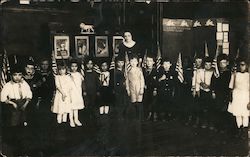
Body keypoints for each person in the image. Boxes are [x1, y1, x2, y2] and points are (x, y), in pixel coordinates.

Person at [1, 65, 32, 155]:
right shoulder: (8, 85)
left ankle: (23, 148)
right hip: (14, 105)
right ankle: (14, 148)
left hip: (24, 104)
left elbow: (29, 94)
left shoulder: (24, 83)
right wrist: (12, 103)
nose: (17, 77)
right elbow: (2, 97)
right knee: (14, 125)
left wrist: (26, 104)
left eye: (19, 75)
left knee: (24, 124)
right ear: (11, 76)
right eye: (15, 75)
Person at [228, 58, 249, 139]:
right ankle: (240, 129)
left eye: (243, 65)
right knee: (238, 114)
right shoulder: (235, 74)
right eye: (240, 65)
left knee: (245, 114)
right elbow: (231, 86)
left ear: (246, 66)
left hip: (245, 97)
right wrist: (231, 98)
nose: (241, 67)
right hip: (237, 96)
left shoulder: (248, 76)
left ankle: (245, 131)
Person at [211, 54, 232, 133]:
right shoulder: (217, 73)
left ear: (227, 63)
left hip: (226, 94)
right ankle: (219, 126)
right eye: (220, 63)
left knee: (225, 110)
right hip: (218, 93)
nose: (222, 64)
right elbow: (213, 83)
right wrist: (213, 91)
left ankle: (225, 127)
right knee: (218, 109)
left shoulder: (229, 73)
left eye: (224, 62)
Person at [196, 57, 215, 129]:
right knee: (203, 108)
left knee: (211, 107)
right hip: (203, 91)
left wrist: (210, 87)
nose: (208, 66)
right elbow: (198, 80)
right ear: (204, 64)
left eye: (209, 65)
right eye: (206, 64)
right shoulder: (200, 71)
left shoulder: (213, 71)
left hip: (210, 91)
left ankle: (211, 123)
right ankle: (204, 122)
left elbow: (215, 81)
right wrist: (201, 85)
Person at [126, 54, 145, 121]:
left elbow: (142, 80)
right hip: (132, 88)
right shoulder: (129, 71)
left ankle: (140, 117)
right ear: (130, 62)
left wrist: (142, 88)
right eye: (132, 61)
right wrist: (128, 89)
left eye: (135, 61)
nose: (133, 63)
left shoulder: (139, 70)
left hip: (138, 87)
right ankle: (134, 117)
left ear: (137, 62)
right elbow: (127, 81)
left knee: (139, 102)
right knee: (133, 102)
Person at [69, 60, 85, 126]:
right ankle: (71, 120)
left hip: (77, 92)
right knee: (71, 107)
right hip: (71, 93)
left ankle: (76, 119)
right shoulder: (68, 75)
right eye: (72, 66)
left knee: (76, 107)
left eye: (75, 66)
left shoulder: (79, 74)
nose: (74, 68)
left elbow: (83, 79)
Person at [142, 54, 158, 121]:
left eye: (150, 61)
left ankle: (153, 114)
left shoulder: (155, 71)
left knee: (153, 102)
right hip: (145, 89)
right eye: (147, 61)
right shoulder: (144, 70)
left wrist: (155, 89)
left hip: (153, 89)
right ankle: (147, 114)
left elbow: (157, 81)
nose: (148, 62)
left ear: (153, 62)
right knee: (146, 101)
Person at [113, 55, 127, 120]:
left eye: (122, 62)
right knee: (119, 103)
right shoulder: (115, 72)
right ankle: (119, 116)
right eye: (119, 62)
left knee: (124, 102)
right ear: (116, 63)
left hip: (124, 89)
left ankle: (124, 115)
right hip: (118, 89)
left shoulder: (125, 71)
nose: (120, 64)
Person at [191, 55, 203, 127]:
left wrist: (197, 90)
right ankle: (194, 120)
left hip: (200, 90)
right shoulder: (195, 70)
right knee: (194, 106)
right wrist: (193, 89)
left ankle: (199, 121)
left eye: (200, 62)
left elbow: (200, 81)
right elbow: (193, 80)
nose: (198, 63)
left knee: (200, 107)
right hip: (194, 90)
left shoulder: (202, 71)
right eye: (196, 61)